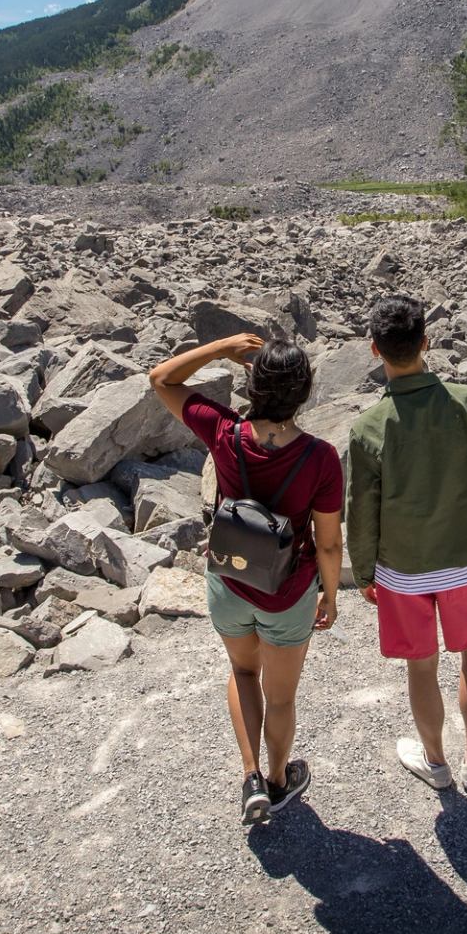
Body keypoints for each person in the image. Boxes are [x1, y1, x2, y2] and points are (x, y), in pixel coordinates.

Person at [149, 332, 344, 825]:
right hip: (287, 591)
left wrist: (220, 348)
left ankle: (251, 775)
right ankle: (278, 782)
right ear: (304, 393)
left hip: (230, 581)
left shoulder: (224, 431)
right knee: (281, 695)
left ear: (252, 384)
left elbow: (161, 379)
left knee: (242, 673)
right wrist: (331, 596)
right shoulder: (320, 458)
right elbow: (328, 542)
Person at [346, 294, 467, 794]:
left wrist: (364, 572)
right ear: (426, 341)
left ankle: (436, 763)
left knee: (422, 667)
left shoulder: (367, 427)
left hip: (402, 570)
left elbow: (362, 509)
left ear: (374, 350)